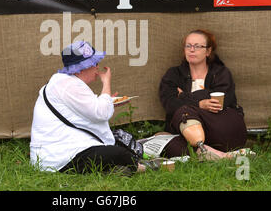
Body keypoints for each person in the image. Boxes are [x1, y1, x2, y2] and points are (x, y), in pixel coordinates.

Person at [30, 41, 160, 174]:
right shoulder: (69, 85)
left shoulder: (64, 82)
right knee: (117, 152)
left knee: (119, 141)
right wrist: (106, 84)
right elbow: (101, 113)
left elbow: (85, 109)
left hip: (56, 153)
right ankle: (143, 168)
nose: (97, 67)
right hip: (58, 158)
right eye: (94, 64)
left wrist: (107, 100)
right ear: (81, 68)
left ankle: (113, 170)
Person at [159, 29, 247, 159]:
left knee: (185, 110)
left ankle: (208, 152)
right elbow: (170, 104)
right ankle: (220, 156)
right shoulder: (173, 74)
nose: (191, 50)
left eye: (198, 46)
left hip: (220, 128)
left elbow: (222, 102)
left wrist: (184, 97)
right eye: (188, 46)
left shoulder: (221, 73)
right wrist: (200, 103)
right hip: (189, 132)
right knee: (165, 140)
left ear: (208, 51)